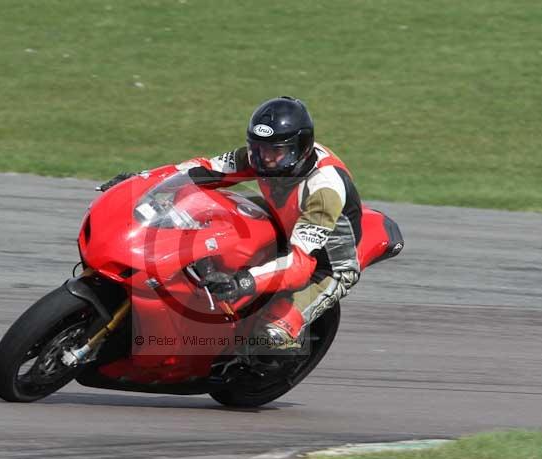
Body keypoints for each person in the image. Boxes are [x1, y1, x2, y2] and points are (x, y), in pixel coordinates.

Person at [100, 96, 362, 350]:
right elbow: (200, 170)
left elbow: (301, 264)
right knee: (211, 223)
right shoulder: (261, 155)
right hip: (284, 224)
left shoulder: (324, 190)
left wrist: (243, 282)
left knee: (272, 334)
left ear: (301, 149)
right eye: (259, 149)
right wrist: (142, 182)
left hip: (324, 264)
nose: (266, 159)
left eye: (276, 152)